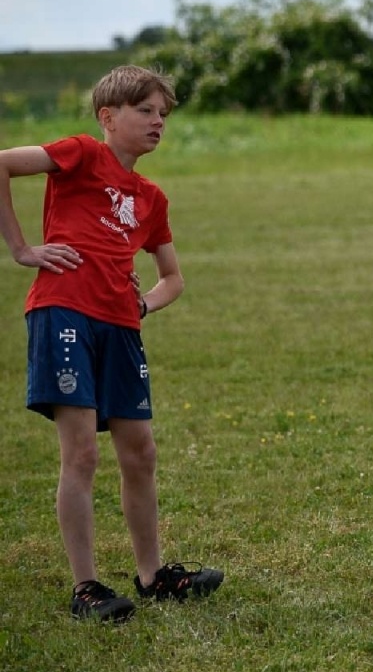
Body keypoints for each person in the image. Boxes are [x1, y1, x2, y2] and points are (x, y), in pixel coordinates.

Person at [1, 66, 224, 621]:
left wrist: (142, 303)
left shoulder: (151, 196)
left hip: (121, 328)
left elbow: (173, 278)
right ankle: (86, 589)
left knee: (140, 452)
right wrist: (22, 248)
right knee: (81, 452)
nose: (157, 123)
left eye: (163, 115)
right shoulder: (80, 153)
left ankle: (152, 577)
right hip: (65, 312)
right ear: (108, 117)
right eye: (145, 111)